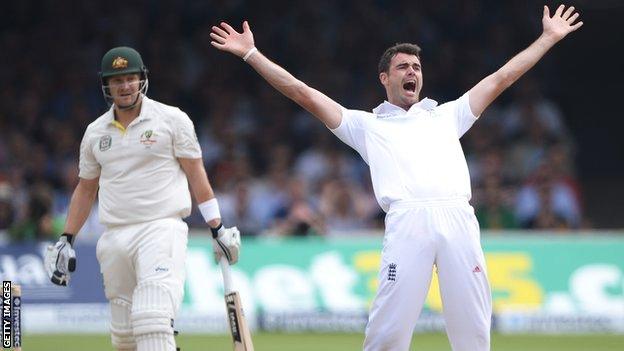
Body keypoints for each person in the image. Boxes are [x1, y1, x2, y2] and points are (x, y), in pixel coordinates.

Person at [210, 5, 582, 351]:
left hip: (458, 218)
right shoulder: (366, 125)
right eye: (403, 67)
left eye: (417, 67)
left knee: (473, 332)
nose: (412, 72)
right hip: (407, 223)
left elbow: (503, 77)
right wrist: (251, 54)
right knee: (387, 334)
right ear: (385, 78)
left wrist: (547, 38)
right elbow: (302, 92)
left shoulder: (448, 115)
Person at [43, 46, 241, 351]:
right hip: (114, 236)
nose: (124, 86)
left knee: (152, 322)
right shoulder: (95, 133)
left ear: (142, 79)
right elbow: (86, 189)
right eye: (116, 80)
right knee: (125, 338)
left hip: (160, 229)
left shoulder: (172, 119)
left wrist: (217, 227)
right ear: (106, 86)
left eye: (130, 78)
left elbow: (196, 173)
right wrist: (66, 238)